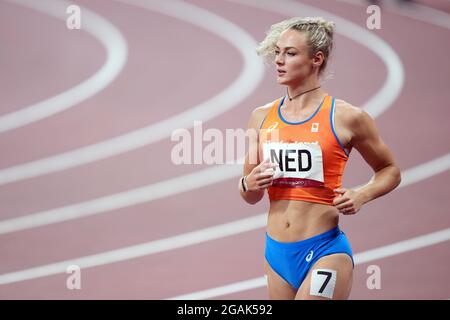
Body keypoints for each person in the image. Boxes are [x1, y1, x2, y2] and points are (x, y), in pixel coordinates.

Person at [238, 17, 401, 300]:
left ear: (316, 59)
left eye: (290, 53)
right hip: (276, 253)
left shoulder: (347, 117)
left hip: (324, 251)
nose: (279, 60)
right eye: (277, 52)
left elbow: (390, 170)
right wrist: (249, 182)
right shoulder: (261, 117)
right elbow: (249, 195)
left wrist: (362, 194)